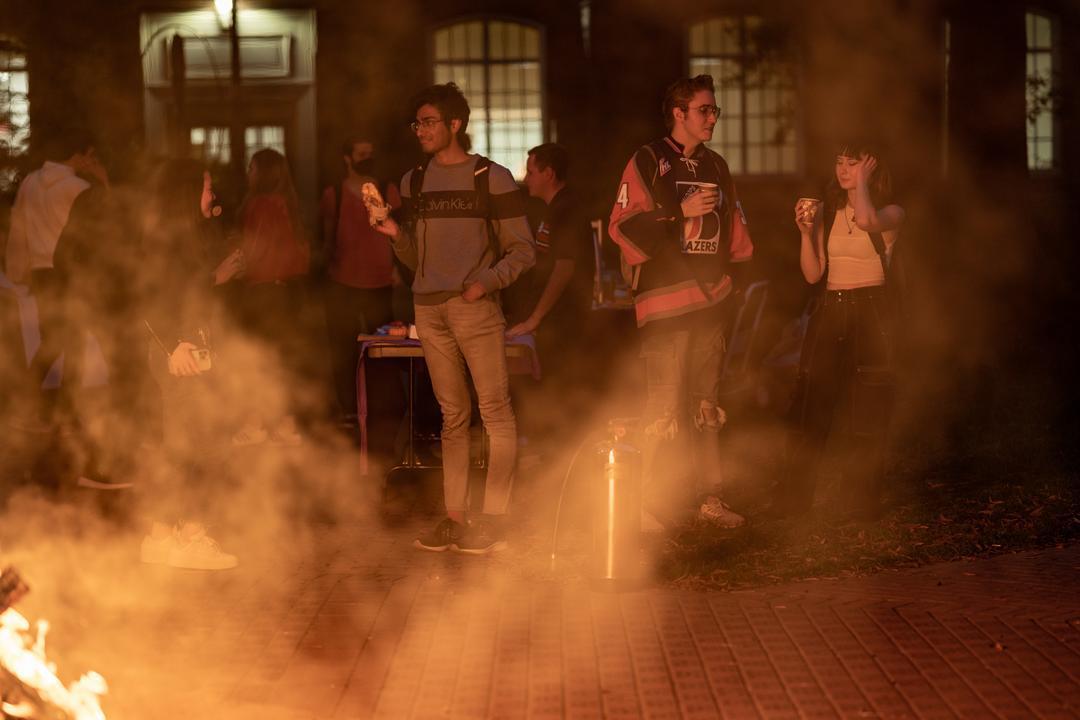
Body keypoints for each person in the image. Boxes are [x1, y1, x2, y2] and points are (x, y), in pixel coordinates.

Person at [374, 82, 535, 554]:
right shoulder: (414, 182)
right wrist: (392, 233)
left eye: (428, 122)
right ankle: (455, 519)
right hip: (429, 308)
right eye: (416, 123)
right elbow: (412, 255)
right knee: (452, 416)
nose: (420, 130)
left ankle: (495, 520)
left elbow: (523, 250)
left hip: (475, 308)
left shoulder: (492, 177)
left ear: (455, 125)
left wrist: (485, 283)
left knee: (496, 413)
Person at [608, 74, 753, 530]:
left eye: (715, 111)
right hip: (665, 304)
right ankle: (651, 505)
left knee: (706, 404)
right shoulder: (649, 160)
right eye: (705, 110)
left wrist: (732, 276)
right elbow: (622, 225)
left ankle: (709, 498)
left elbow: (736, 231)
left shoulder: (717, 165)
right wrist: (678, 213)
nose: (712, 117)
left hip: (711, 300)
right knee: (663, 407)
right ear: (679, 113)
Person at [768, 142, 905, 520]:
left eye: (853, 163)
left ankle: (858, 503)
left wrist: (862, 183)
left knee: (867, 411)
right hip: (831, 309)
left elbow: (866, 221)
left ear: (872, 166)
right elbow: (813, 273)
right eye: (840, 162)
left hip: (871, 312)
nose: (844, 169)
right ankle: (793, 503)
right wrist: (804, 232)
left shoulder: (892, 212)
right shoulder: (828, 212)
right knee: (811, 404)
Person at [138, 158, 242, 570]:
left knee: (185, 444)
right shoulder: (166, 241)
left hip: (186, 349)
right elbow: (150, 296)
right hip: (176, 353)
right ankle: (187, 536)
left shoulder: (183, 236)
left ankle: (164, 535)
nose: (211, 195)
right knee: (195, 445)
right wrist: (172, 345)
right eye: (205, 187)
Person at [4, 128, 100, 427]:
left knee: (50, 342)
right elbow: (92, 236)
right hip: (71, 273)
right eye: (89, 155)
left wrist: (17, 271)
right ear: (79, 154)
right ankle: (64, 411)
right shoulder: (78, 188)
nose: (91, 160)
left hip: (41, 273)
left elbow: (18, 230)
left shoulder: (31, 183)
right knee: (73, 344)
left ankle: (36, 402)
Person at [507, 142, 594, 447]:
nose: (525, 177)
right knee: (549, 388)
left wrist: (535, 318)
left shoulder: (567, 209)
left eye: (531, 172)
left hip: (565, 319)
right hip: (554, 320)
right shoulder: (552, 210)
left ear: (549, 173)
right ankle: (550, 453)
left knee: (562, 388)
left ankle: (563, 456)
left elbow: (565, 268)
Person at [228, 148, 310, 445]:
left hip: (262, 292)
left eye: (251, 168)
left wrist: (234, 265)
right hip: (286, 291)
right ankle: (285, 425)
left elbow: (254, 251)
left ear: (262, 173)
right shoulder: (288, 204)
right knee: (281, 360)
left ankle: (255, 423)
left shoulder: (259, 205)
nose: (248, 174)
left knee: (256, 360)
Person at [319, 137, 401, 427]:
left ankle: (383, 410)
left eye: (371, 153)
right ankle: (350, 410)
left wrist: (398, 270)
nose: (368, 159)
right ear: (347, 158)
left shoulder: (388, 190)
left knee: (384, 351)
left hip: (380, 282)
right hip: (343, 281)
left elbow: (400, 233)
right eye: (362, 154)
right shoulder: (335, 194)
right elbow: (329, 237)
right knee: (344, 351)